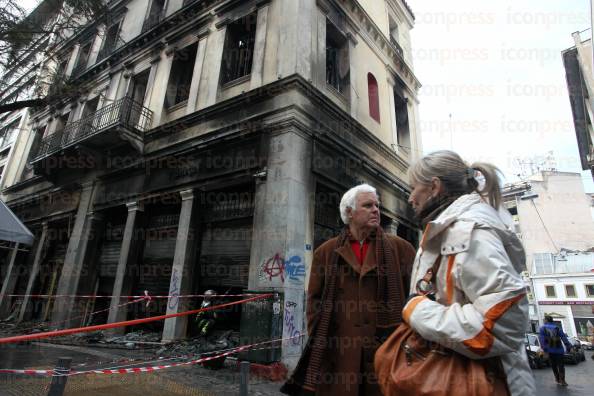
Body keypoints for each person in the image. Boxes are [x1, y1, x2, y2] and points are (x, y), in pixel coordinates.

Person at [399, 150, 536, 395]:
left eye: (413, 188)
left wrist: (417, 310)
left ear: (434, 187)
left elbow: (503, 324)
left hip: (481, 382)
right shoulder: (448, 227)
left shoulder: (468, 231)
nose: (410, 198)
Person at [281, 184, 416, 396]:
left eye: (377, 205)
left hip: (387, 351)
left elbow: (414, 299)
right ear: (349, 212)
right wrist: (323, 339)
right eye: (368, 205)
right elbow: (314, 302)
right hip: (340, 353)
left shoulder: (401, 249)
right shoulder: (326, 252)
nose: (376, 210)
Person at [539, 315, 573, 386]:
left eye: (544, 319)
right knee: (561, 365)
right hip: (559, 350)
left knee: (553, 365)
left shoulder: (542, 328)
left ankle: (557, 379)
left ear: (546, 320)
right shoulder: (558, 328)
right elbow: (564, 338)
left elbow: (542, 341)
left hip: (550, 350)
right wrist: (568, 346)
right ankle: (563, 380)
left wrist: (545, 349)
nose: (543, 321)